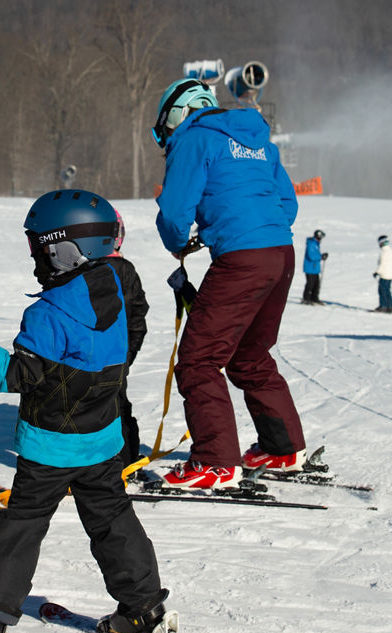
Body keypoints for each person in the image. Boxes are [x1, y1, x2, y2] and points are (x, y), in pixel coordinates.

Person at [0, 190, 183, 633]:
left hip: (48, 448)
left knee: (22, 525)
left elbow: (15, 377)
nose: (35, 261)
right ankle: (144, 609)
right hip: (104, 439)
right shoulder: (121, 279)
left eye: (39, 250)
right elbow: (135, 330)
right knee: (113, 520)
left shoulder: (47, 313)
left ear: (63, 250)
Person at [151, 78, 307, 490]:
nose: (168, 140)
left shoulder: (194, 137)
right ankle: (282, 447)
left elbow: (173, 211)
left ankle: (215, 461)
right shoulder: (258, 140)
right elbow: (287, 204)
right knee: (249, 356)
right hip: (281, 254)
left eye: (166, 131)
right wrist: (254, 229)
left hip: (243, 258)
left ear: (177, 115)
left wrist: (179, 242)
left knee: (198, 359)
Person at [101, 210, 150, 472]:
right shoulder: (86, 269)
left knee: (115, 405)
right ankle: (119, 461)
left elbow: (136, 315)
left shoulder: (122, 270)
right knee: (113, 404)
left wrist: (127, 354)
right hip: (106, 355)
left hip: (115, 354)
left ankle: (125, 462)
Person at [301, 229, 328, 305]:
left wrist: (321, 256)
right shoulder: (311, 244)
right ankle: (306, 298)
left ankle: (314, 298)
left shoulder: (316, 244)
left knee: (316, 284)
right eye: (320, 238)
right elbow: (311, 256)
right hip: (310, 268)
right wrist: (321, 256)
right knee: (310, 284)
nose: (320, 240)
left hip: (314, 268)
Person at [374, 234, 392, 313]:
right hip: (390, 274)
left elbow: (382, 264)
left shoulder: (384, 252)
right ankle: (390, 307)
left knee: (382, 290)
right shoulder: (391, 251)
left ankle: (383, 306)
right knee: (387, 290)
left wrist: (377, 272)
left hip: (384, 274)